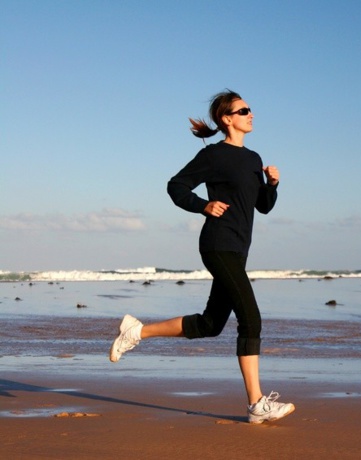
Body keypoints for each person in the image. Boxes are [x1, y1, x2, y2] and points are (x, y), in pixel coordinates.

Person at [109, 90, 295, 424]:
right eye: (244, 110)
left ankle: (136, 332)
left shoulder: (253, 159)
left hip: (239, 248)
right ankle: (256, 403)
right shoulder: (213, 156)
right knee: (251, 319)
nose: (251, 114)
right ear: (227, 118)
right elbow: (176, 186)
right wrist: (203, 205)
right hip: (217, 243)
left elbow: (263, 207)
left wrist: (272, 184)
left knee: (211, 325)